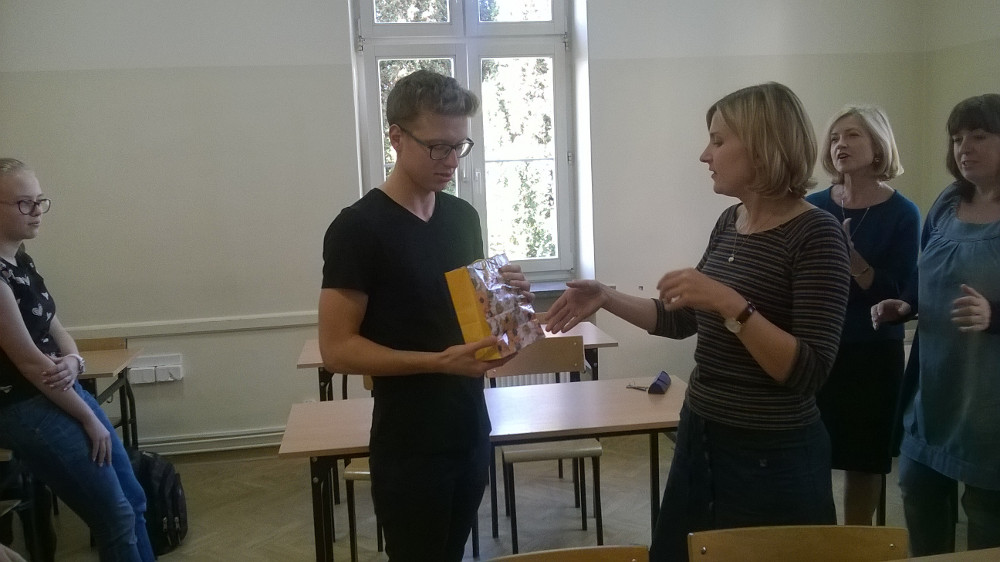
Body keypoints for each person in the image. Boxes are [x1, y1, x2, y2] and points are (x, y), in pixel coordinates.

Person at [546, 82, 851, 562]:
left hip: (772, 456)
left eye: (718, 140)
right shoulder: (731, 221)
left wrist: (733, 305)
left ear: (763, 145)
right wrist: (606, 296)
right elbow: (681, 319)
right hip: (702, 433)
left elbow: (807, 372)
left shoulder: (818, 234)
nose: (705, 155)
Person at [318, 70, 531, 561]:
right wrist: (438, 363)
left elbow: (469, 320)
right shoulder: (357, 229)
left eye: (460, 146)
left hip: (470, 429)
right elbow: (338, 349)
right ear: (396, 136)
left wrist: (508, 302)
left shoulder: (462, 218)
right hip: (409, 443)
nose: (451, 160)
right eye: (437, 147)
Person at [0, 158, 154, 562]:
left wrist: (74, 359)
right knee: (115, 515)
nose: (36, 211)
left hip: (56, 389)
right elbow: (29, 363)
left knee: (134, 500)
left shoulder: (21, 259)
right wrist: (89, 418)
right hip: (24, 406)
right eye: (24, 203)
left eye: (40, 201)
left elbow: (53, 324)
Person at [872, 93, 1000, 556]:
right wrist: (905, 305)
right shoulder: (947, 203)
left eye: (979, 136)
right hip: (936, 390)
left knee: (987, 518)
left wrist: (994, 315)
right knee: (917, 490)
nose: (965, 148)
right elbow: (927, 273)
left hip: (988, 404)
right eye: (957, 138)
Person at [806, 105, 920, 525]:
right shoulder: (812, 206)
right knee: (811, 453)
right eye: (835, 137)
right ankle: (818, 539)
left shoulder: (903, 213)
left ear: (878, 146)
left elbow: (901, 294)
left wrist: (854, 261)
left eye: (852, 135)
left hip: (873, 354)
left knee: (864, 459)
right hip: (818, 350)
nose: (841, 144)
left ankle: (855, 541)